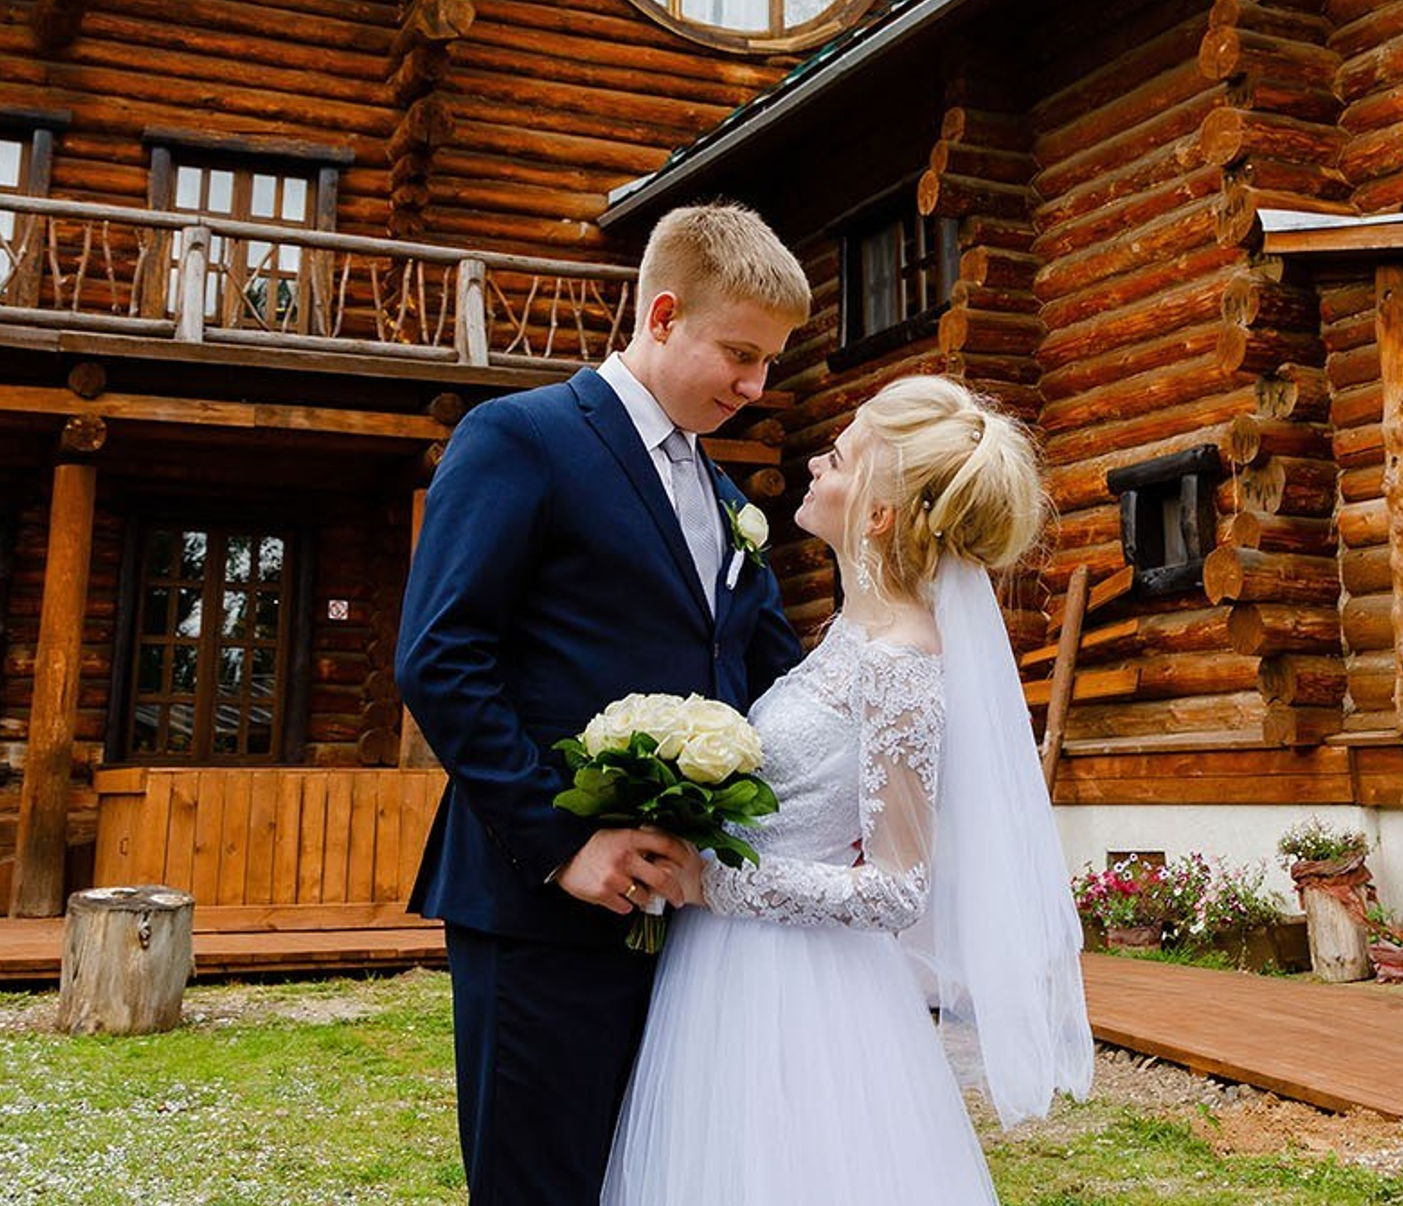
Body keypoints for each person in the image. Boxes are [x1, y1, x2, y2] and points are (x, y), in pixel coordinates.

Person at [394, 201, 812, 1206]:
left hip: (684, 918)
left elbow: (770, 676)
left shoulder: (726, 497)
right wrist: (561, 842)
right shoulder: (521, 437)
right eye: (740, 354)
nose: (755, 388)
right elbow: (440, 657)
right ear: (663, 316)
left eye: (769, 364)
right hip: (539, 905)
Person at [603, 374, 1094, 1206]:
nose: (814, 467)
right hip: (735, 964)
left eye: (835, 459)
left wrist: (714, 882)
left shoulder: (899, 665)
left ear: (877, 516)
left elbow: (898, 887)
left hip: (798, 987)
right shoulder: (851, 634)